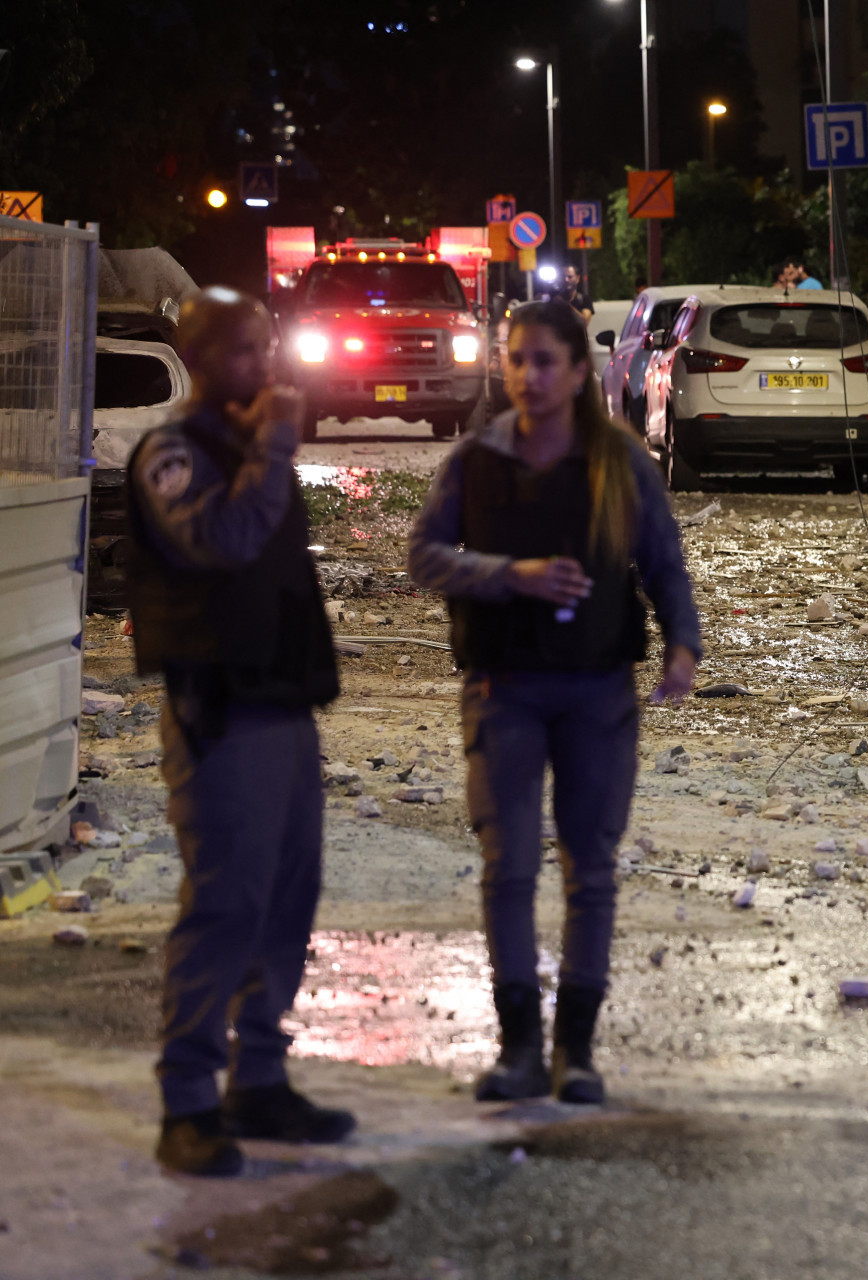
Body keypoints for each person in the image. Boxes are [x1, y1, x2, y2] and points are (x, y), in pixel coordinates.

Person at [407, 299, 702, 1105]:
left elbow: (664, 565)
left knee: (590, 868)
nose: (528, 376)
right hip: (503, 688)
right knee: (507, 867)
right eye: (515, 359)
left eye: (545, 361)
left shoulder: (622, 465)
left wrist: (683, 645)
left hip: (598, 690)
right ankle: (518, 1049)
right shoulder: (476, 462)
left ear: (578, 372)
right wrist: (511, 574)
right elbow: (425, 555)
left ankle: (576, 1049)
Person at [124, 286, 353, 1178]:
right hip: (221, 714)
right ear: (209, 357)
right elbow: (219, 542)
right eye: (251, 349)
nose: (269, 365)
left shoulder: (246, 444)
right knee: (224, 906)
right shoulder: (172, 452)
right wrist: (273, 448)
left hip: (283, 706)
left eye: (270, 346)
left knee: (287, 902)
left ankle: (258, 1081)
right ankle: (187, 1102)